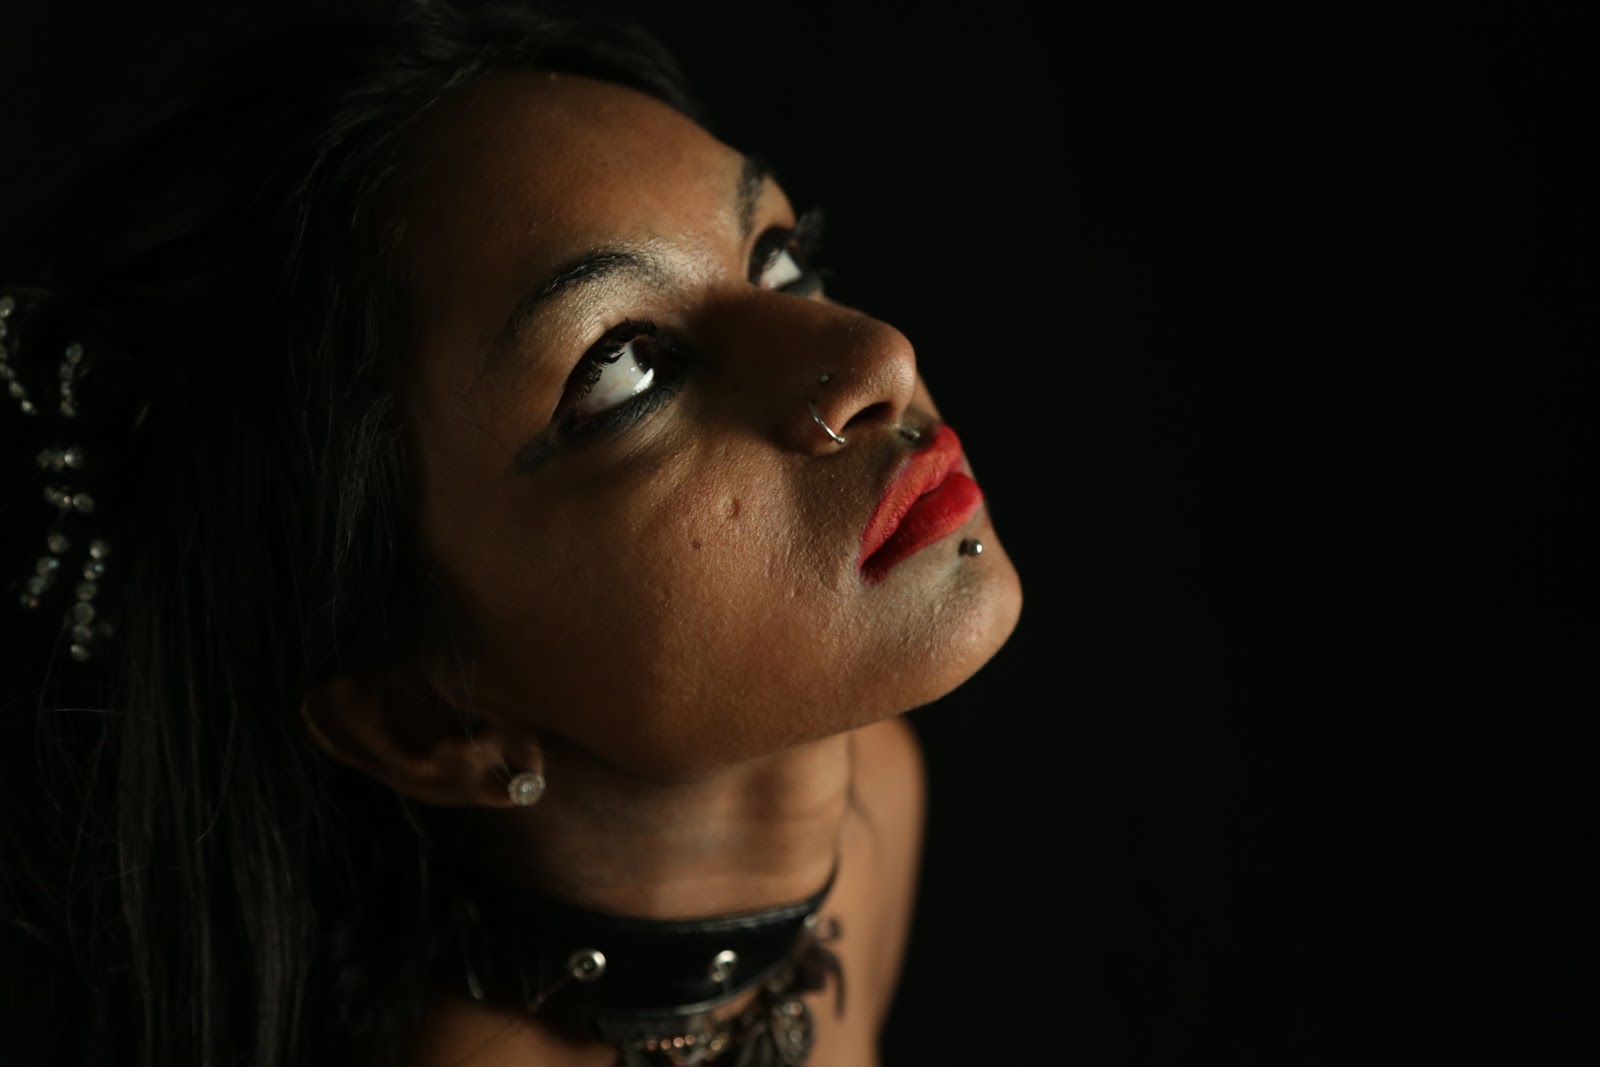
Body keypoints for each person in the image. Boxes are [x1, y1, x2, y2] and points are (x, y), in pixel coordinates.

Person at [0, 2, 1022, 1064]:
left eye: (777, 260)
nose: (878, 355)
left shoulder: (875, 800)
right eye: (625, 371)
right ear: (428, 719)